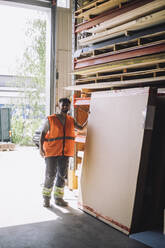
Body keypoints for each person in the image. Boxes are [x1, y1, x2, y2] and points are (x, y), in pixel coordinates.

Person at [39, 97, 88, 207]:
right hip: (51, 152)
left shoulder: (71, 120)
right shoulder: (50, 119)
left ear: (69, 107)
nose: (65, 107)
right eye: (63, 105)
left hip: (65, 153)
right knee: (50, 175)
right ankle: (46, 198)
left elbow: (81, 129)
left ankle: (58, 198)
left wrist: (89, 118)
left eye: (67, 105)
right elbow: (42, 133)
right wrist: (41, 149)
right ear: (58, 106)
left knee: (61, 175)